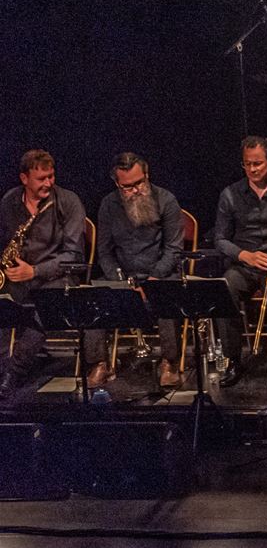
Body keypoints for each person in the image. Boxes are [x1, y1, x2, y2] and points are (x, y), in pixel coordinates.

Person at [0, 150, 108, 396]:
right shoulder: (9, 201)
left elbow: (74, 255)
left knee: (44, 309)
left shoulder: (68, 201)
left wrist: (34, 271)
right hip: (18, 276)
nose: (48, 183)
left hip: (57, 277)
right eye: (41, 178)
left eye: (51, 176)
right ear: (24, 178)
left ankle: (13, 372)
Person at [95, 152, 186, 389]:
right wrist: (122, 283)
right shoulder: (108, 205)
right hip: (124, 277)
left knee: (167, 293)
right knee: (94, 295)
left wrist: (153, 281)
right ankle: (99, 364)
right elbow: (104, 252)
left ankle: (169, 363)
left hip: (159, 274)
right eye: (127, 187)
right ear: (117, 184)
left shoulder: (166, 200)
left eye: (139, 183)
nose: (135, 190)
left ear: (147, 175)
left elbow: (174, 248)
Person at [212, 136, 267, 390]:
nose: (252, 169)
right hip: (244, 266)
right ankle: (233, 361)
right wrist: (244, 255)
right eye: (247, 164)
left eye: (257, 163)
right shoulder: (230, 194)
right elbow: (219, 239)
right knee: (225, 287)